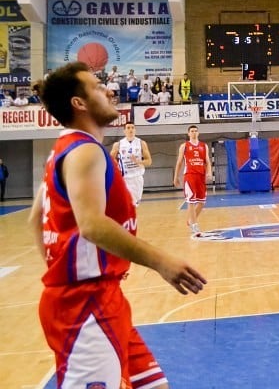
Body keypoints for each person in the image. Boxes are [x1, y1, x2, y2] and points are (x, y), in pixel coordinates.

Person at [29, 62, 205, 389]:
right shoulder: (84, 151)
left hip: (99, 296)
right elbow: (92, 225)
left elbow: (35, 219)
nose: (109, 90)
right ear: (78, 104)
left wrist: (61, 269)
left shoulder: (64, 149)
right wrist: (161, 261)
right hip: (84, 305)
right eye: (97, 87)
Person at [174, 125, 212, 236]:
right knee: (191, 201)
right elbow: (179, 162)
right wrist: (175, 176)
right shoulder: (184, 146)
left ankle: (191, 220)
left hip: (201, 176)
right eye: (192, 131)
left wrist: (209, 172)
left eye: (196, 131)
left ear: (198, 133)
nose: (194, 132)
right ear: (188, 133)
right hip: (189, 175)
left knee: (202, 202)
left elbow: (208, 161)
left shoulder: (204, 146)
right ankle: (195, 226)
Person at [110, 122, 153, 206]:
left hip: (137, 178)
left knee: (134, 205)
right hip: (124, 178)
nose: (131, 130)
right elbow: (110, 160)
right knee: (124, 203)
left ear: (135, 130)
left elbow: (149, 161)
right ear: (124, 131)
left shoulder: (141, 143)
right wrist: (116, 165)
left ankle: (132, 218)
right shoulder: (118, 144)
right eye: (128, 128)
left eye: (132, 128)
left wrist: (139, 161)